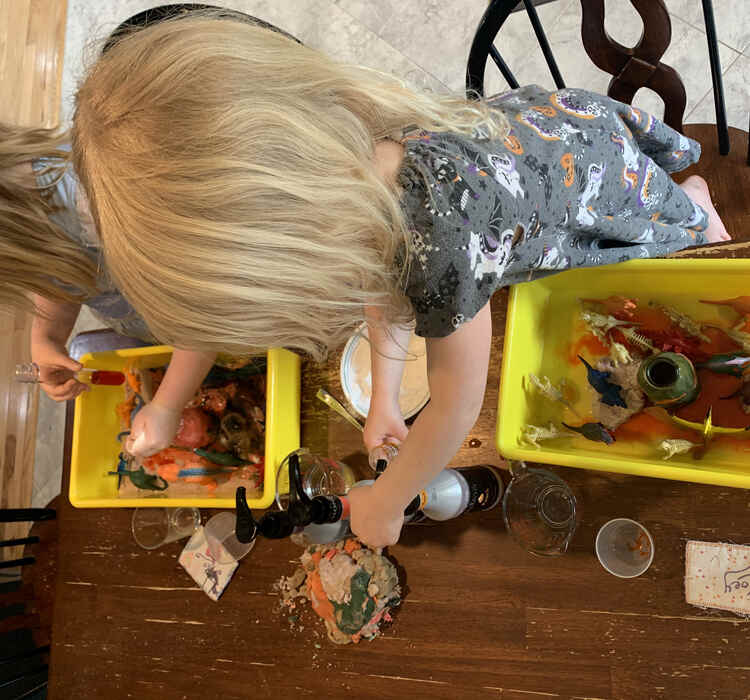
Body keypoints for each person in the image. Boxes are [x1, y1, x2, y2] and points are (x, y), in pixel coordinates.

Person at [70, 12, 729, 546]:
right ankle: (688, 202)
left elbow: (454, 406)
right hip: (548, 140)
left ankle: (697, 209)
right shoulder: (358, 171)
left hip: (593, 187)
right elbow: (381, 279)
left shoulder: (441, 240)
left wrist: (389, 499)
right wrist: (385, 396)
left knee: (691, 252)